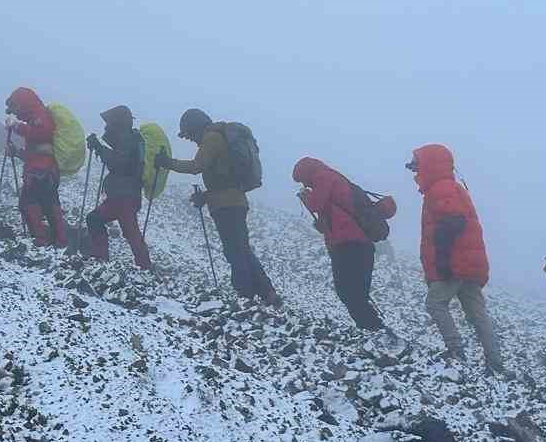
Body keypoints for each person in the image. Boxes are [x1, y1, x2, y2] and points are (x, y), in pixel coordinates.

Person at [156, 109, 278, 304]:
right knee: (242, 248)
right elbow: (223, 176)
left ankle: (245, 296)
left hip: (226, 204)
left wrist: (168, 163)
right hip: (234, 199)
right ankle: (267, 293)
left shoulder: (211, 138)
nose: (191, 140)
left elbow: (197, 166)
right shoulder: (218, 136)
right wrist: (206, 196)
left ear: (196, 127)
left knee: (234, 250)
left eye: (189, 134)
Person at [410, 145, 505, 374]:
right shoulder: (452, 187)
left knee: (435, 303)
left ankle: (456, 352)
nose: (415, 171)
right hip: (469, 264)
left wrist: (443, 261)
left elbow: (453, 222)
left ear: (429, 166)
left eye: (417, 165)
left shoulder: (440, 188)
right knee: (477, 314)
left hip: (455, 263)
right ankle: (496, 364)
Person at [294, 157, 384, 330]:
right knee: (356, 292)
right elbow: (332, 216)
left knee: (347, 291)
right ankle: (373, 329)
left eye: (302, 180)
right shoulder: (334, 177)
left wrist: (306, 197)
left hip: (347, 244)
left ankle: (372, 329)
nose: (305, 184)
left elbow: (315, 204)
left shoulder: (322, 177)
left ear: (306, 173)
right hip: (358, 244)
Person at [84, 106, 153, 270]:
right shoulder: (133, 138)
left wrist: (99, 148)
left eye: (109, 123)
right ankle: (143, 265)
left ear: (117, 123)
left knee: (101, 221)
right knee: (129, 231)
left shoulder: (127, 139)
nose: (106, 127)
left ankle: (103, 260)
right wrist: (101, 148)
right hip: (126, 194)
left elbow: (118, 162)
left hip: (123, 195)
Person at [5, 87, 67, 247]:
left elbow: (40, 134)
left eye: (16, 107)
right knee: (48, 203)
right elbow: (37, 149)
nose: (16, 112)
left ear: (23, 103)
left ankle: (42, 238)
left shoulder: (40, 115)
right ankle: (58, 240)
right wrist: (17, 152)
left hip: (41, 170)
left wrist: (17, 126)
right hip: (45, 169)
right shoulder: (37, 115)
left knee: (29, 202)